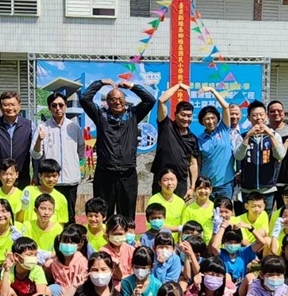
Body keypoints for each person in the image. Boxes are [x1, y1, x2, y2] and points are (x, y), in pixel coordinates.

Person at [80, 78, 157, 218]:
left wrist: (132, 86)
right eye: (113, 99)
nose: (117, 102)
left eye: (120, 99)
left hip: (127, 174)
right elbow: (85, 99)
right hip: (105, 174)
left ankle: (126, 239)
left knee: (127, 216)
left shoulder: (133, 115)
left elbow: (150, 100)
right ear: (107, 102)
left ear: (125, 101)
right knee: (103, 215)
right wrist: (100, 83)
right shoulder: (100, 115)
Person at [32, 91, 83, 215]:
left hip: (70, 180)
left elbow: (80, 150)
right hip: (50, 180)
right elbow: (35, 155)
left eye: (61, 105)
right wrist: (39, 139)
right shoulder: (42, 127)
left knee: (69, 215)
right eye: (54, 105)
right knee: (49, 215)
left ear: (65, 106)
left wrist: (76, 167)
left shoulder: (74, 127)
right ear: (49, 107)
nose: (58, 108)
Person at [236, 101, 286, 213]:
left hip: (268, 188)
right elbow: (238, 156)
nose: (258, 118)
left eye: (261, 114)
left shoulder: (275, 135)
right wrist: (248, 136)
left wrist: (270, 135)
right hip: (248, 188)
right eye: (254, 115)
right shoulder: (242, 136)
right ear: (249, 117)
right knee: (248, 220)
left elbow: (280, 155)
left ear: (266, 116)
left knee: (265, 223)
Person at [0, 90, 35, 191]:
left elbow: (35, 151)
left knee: (21, 206)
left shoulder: (30, 125)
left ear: (19, 106)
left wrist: (36, 173)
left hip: (21, 177)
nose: (10, 108)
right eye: (6, 105)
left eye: (13, 104)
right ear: (0, 107)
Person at [152, 83, 199, 198]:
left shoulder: (193, 138)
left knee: (178, 214)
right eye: (183, 115)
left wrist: (192, 187)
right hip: (162, 179)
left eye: (189, 116)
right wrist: (179, 86)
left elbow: (193, 163)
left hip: (181, 182)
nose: (186, 119)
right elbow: (162, 101)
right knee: (159, 213)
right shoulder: (166, 126)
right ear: (175, 114)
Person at [196, 87, 235, 200]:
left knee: (224, 214)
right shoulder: (200, 139)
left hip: (225, 184)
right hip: (206, 185)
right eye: (207, 119)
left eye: (213, 118)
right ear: (202, 122)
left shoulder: (223, 130)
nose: (210, 121)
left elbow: (226, 107)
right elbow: (198, 162)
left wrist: (212, 91)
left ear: (218, 119)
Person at [19, 158, 68, 225]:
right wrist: (23, 208)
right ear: (40, 176)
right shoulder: (28, 191)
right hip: (29, 233)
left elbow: (60, 225)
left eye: (54, 176)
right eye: (47, 176)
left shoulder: (61, 198)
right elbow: (18, 219)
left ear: (58, 176)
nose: (51, 179)